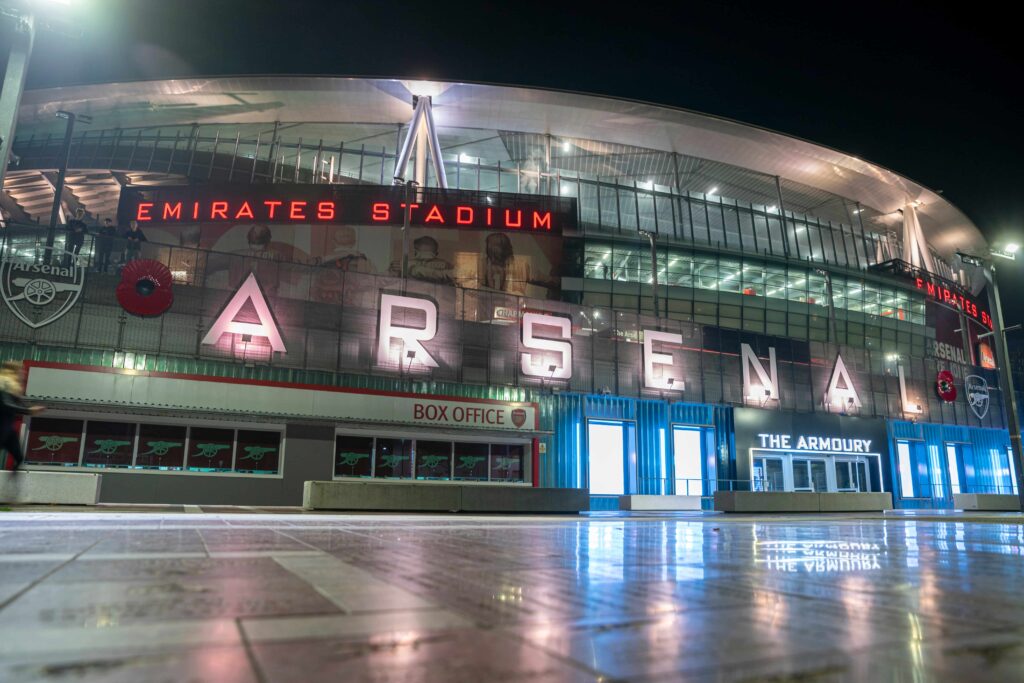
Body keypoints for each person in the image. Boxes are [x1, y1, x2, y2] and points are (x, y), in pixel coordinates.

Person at [0, 361, 44, 472]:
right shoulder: (4, 382)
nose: (23, 373)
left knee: (19, 458)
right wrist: (28, 411)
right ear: (14, 372)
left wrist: (29, 410)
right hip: (2, 426)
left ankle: (8, 487)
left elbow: (16, 405)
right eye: (21, 371)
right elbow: (6, 404)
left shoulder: (14, 387)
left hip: (7, 429)